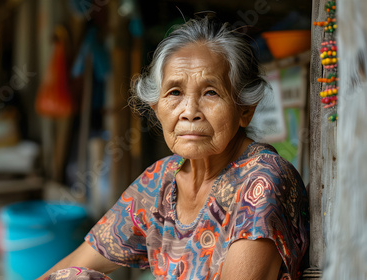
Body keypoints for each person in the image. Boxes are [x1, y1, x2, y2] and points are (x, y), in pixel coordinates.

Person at [38, 15, 309, 280]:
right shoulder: (160, 181)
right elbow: (76, 262)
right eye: (175, 93)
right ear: (156, 107)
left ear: (245, 110)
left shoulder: (262, 181)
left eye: (211, 92)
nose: (189, 112)